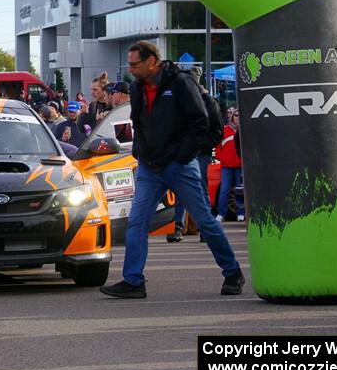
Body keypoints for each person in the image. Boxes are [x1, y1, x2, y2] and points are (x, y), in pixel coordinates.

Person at [100, 41, 243, 298]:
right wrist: (139, 152)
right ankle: (133, 280)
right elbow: (139, 124)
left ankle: (233, 272)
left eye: (134, 64)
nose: (130, 68)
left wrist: (183, 155)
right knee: (137, 222)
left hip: (179, 166)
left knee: (204, 221)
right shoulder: (136, 87)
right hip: (149, 167)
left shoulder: (180, 84)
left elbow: (201, 123)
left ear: (151, 61)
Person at [167, 68, 224, 243]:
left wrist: (200, 146)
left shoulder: (209, 102)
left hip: (200, 152)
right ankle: (179, 227)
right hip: (184, 152)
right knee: (182, 188)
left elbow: (217, 131)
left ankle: (204, 229)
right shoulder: (179, 102)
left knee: (199, 187)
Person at [215, 108, 243, 222]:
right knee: (224, 190)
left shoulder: (243, 130)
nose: (236, 117)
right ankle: (221, 213)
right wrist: (222, 159)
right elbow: (217, 148)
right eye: (235, 115)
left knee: (240, 190)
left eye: (238, 115)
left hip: (240, 166)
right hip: (226, 167)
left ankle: (241, 213)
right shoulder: (224, 130)